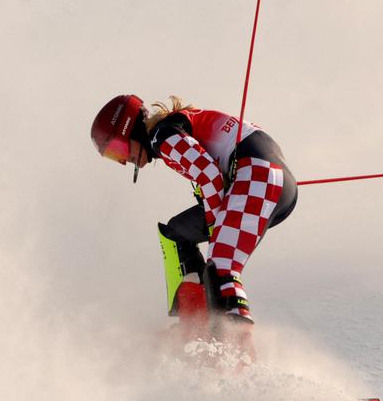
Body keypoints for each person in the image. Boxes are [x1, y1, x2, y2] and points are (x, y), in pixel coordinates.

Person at [90, 94, 297, 333]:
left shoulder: (163, 137)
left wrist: (213, 222)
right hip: (267, 179)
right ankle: (196, 318)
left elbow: (208, 175)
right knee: (176, 234)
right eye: (113, 157)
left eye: (118, 149)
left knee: (221, 264)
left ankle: (232, 342)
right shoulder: (174, 129)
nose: (124, 161)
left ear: (130, 130)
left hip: (258, 177)